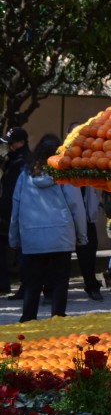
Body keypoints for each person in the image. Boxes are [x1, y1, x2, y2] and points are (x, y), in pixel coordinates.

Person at [8, 134, 88, 322]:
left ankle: (27, 318)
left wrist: (14, 238)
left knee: (32, 283)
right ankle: (58, 318)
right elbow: (76, 206)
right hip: (61, 234)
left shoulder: (24, 175)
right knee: (60, 281)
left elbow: (16, 208)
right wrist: (82, 236)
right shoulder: (63, 175)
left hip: (32, 236)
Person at [0, 127, 29, 298]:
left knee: (22, 252)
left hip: (16, 213)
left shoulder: (23, 162)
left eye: (12, 143)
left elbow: (14, 192)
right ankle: (5, 284)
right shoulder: (13, 159)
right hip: (9, 213)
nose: (9, 146)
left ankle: (25, 287)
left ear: (21, 143)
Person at [74, 185, 104, 300]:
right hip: (66, 216)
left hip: (86, 215)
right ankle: (52, 290)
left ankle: (92, 285)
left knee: (89, 251)